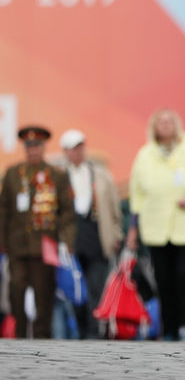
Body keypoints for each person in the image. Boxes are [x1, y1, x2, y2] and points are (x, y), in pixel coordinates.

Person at [126, 109, 185, 341]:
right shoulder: (145, 155)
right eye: (161, 122)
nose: (166, 125)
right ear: (154, 126)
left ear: (176, 125)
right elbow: (136, 195)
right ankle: (168, 329)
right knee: (164, 280)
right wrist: (133, 228)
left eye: (170, 121)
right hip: (156, 228)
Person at [0, 126, 76, 338]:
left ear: (43, 148)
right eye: (29, 146)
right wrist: (2, 241)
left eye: (37, 146)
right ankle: (20, 334)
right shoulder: (13, 174)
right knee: (16, 290)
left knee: (44, 294)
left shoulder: (57, 176)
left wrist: (66, 241)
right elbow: (3, 209)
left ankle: (42, 339)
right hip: (17, 245)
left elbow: (67, 212)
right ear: (25, 148)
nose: (33, 151)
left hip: (46, 246)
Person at [59, 129, 123, 339]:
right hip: (70, 241)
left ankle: (94, 334)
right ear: (65, 152)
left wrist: (115, 236)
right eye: (70, 149)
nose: (75, 153)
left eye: (78, 148)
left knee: (96, 287)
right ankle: (78, 331)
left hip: (97, 237)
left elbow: (114, 209)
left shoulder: (101, 175)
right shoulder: (59, 177)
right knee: (75, 290)